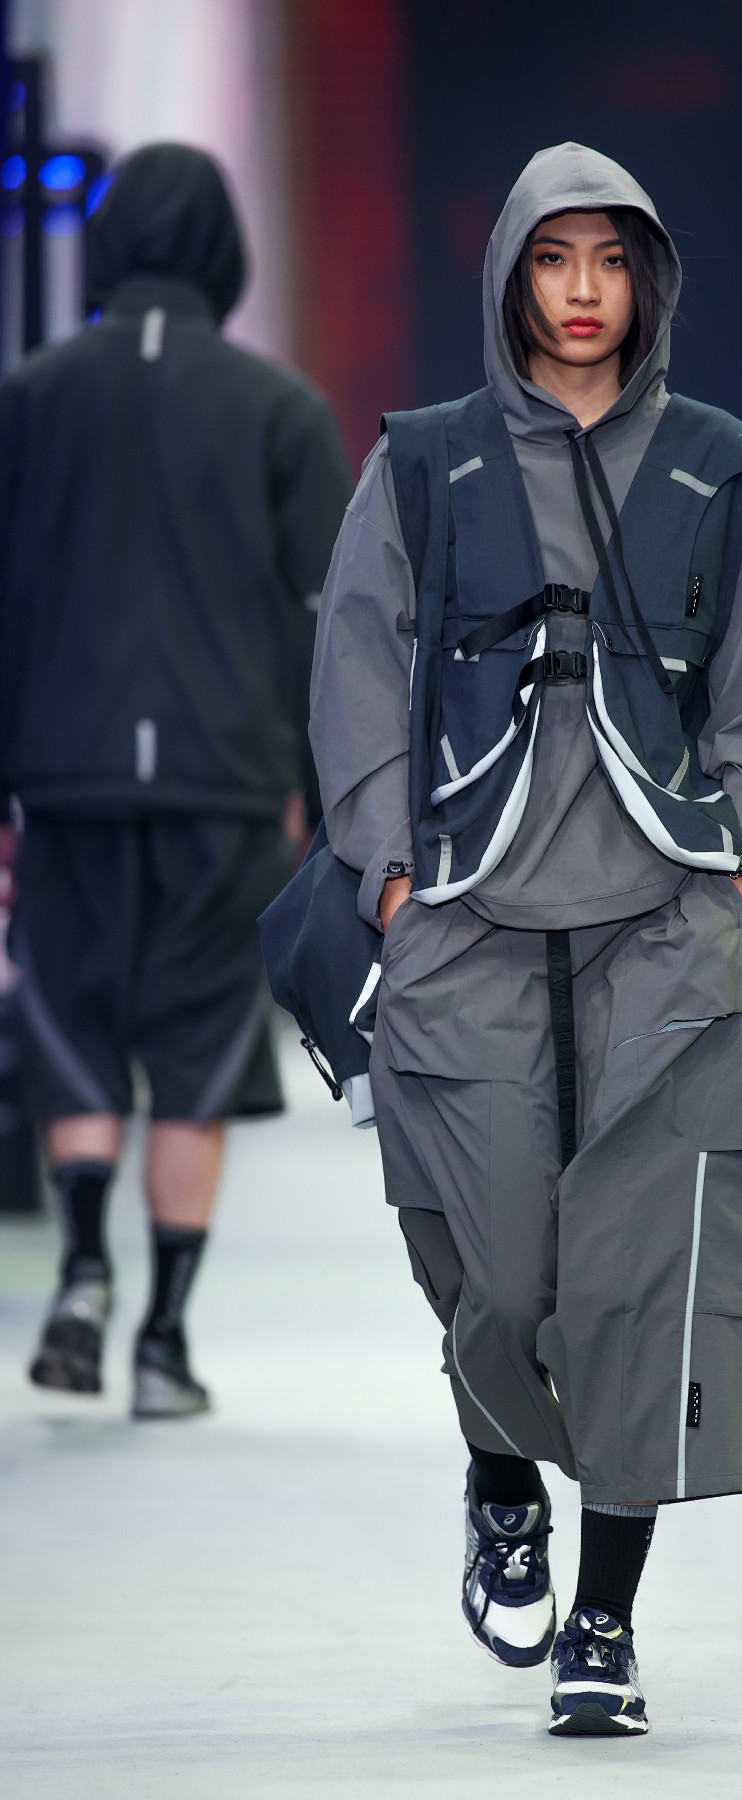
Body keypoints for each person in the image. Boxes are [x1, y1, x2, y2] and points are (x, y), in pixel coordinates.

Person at [309, 142, 742, 1736]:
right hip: (467, 928)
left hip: (660, 933)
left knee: (638, 1288)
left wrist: (741, 877)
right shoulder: (427, 462)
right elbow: (357, 668)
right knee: (487, 1273)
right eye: (556, 259)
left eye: (612, 259)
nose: (586, 291)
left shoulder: (720, 468)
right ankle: (498, 1472)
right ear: (512, 277)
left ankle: (604, 1623)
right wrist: (391, 882)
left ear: (650, 276)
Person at [0, 144, 350, 1418]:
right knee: (197, 1047)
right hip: (226, 777)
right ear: (225, 251)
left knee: (74, 1024)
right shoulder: (280, 410)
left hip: (67, 774)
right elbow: (330, 621)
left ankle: (83, 1268)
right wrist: (326, 790)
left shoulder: (28, 400)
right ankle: (161, 1344)